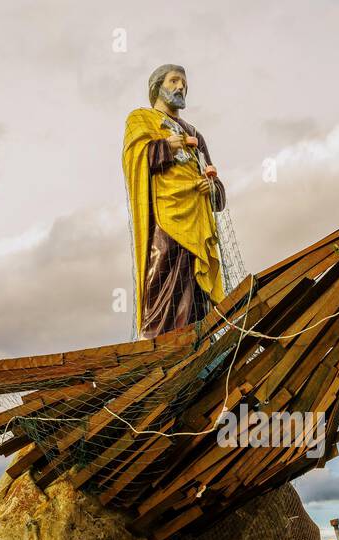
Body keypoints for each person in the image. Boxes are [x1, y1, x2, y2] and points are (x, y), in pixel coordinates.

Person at [122, 63, 228, 339]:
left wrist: (212, 187)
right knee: (165, 280)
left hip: (198, 220)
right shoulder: (141, 119)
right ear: (157, 87)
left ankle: (199, 338)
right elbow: (134, 159)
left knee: (195, 288)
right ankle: (159, 342)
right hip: (166, 218)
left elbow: (214, 181)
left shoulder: (194, 133)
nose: (181, 87)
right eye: (173, 81)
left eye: (184, 83)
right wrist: (165, 147)